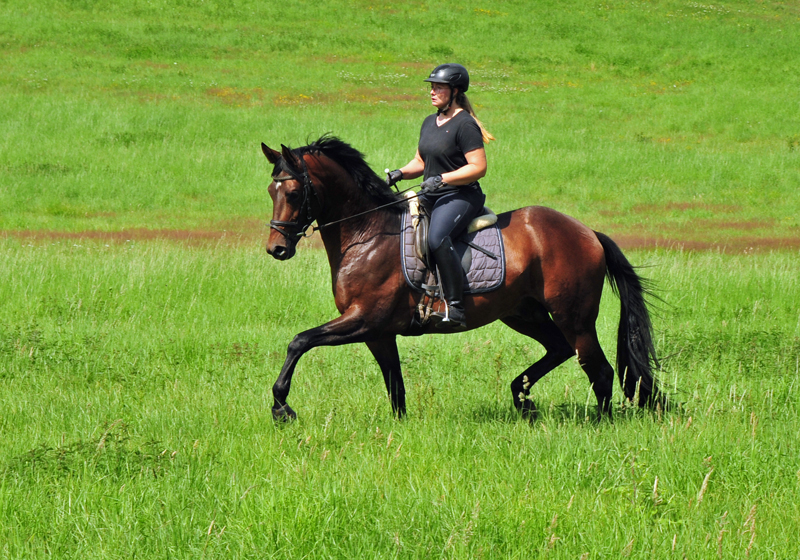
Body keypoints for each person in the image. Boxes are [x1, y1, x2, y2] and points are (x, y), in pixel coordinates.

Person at [386, 63, 494, 329]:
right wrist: (399, 173)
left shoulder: (465, 124)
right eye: (431, 87)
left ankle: (456, 307)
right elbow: (421, 161)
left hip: (461, 195)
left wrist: (443, 179)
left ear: (455, 91)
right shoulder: (429, 122)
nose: (432, 92)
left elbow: (478, 167)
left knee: (437, 237)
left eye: (438, 87)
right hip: (433, 194)